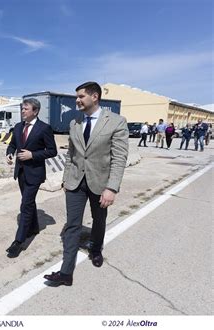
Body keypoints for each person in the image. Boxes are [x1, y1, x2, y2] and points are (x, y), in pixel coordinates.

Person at [43, 82, 128, 287]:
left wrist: (112, 187)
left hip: (101, 183)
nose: (77, 100)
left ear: (95, 97)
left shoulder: (116, 122)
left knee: (99, 220)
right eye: (77, 97)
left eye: (81, 96)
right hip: (75, 183)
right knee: (73, 225)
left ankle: (96, 249)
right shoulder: (75, 122)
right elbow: (71, 155)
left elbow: (119, 158)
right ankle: (66, 273)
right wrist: (66, 178)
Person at [5, 98, 57, 258]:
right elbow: (13, 144)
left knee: (25, 204)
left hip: (35, 173)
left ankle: (19, 242)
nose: (22, 111)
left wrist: (32, 155)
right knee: (29, 203)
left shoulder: (44, 128)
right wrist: (9, 153)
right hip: (20, 172)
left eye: (25, 109)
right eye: (22, 109)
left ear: (35, 111)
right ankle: (34, 227)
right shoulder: (19, 126)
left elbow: (52, 151)